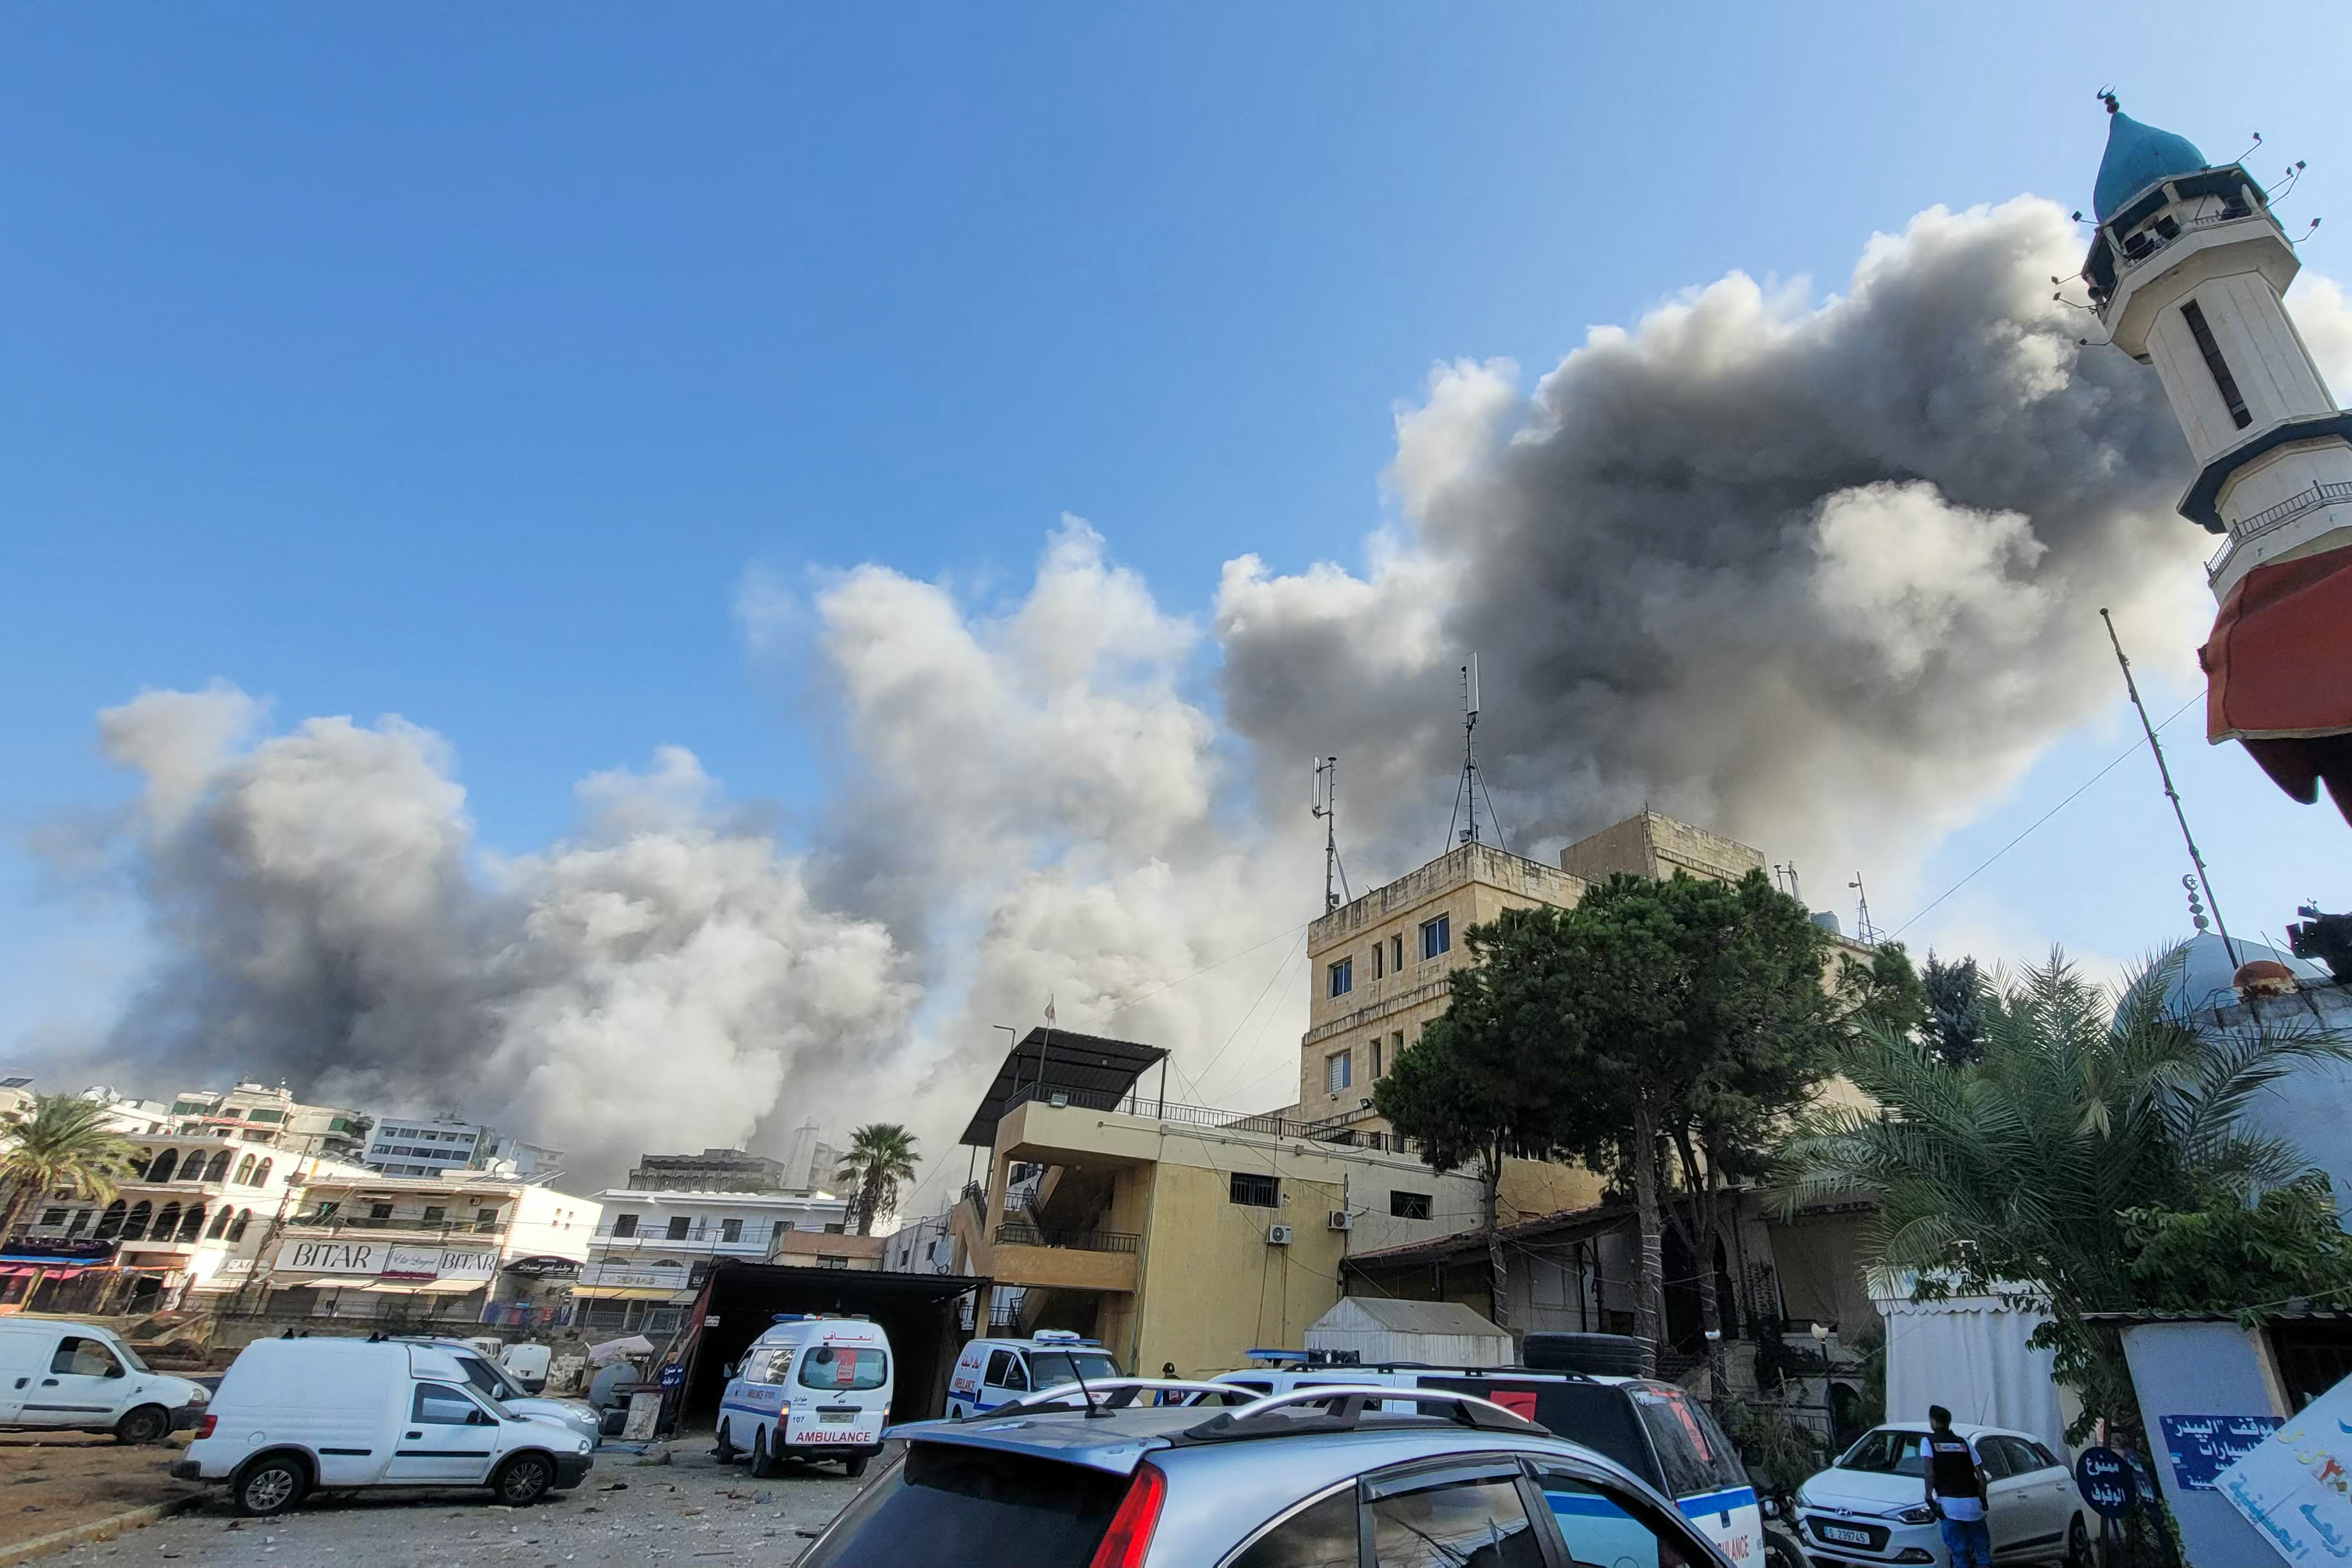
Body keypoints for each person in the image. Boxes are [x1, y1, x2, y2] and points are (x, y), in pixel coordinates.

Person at [1923, 1404, 1992, 1568]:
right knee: (1982, 1552)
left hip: (1949, 1507)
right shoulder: (1965, 1443)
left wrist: (1929, 1497)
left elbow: (1930, 1473)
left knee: (1959, 1555)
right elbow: (1981, 1476)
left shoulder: (1929, 1442)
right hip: (1973, 1505)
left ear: (1933, 1421)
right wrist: (1982, 1499)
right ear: (1948, 1422)